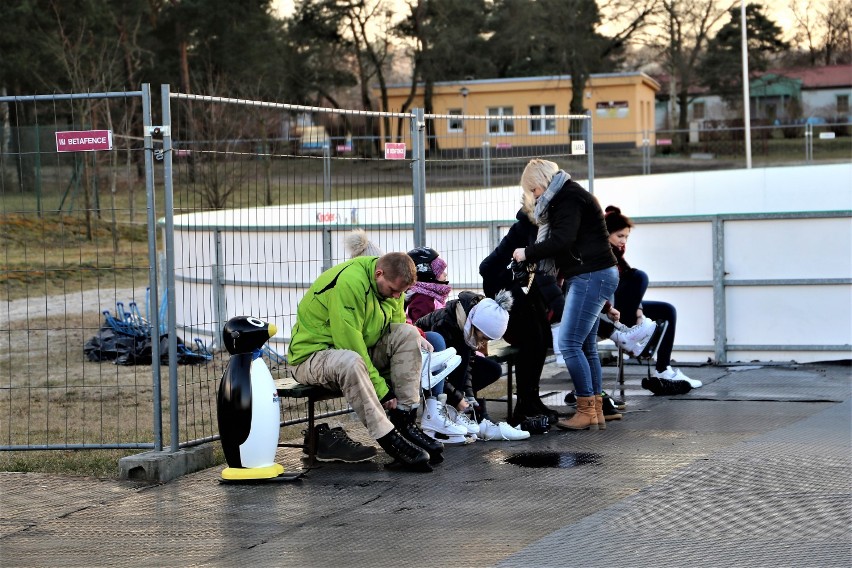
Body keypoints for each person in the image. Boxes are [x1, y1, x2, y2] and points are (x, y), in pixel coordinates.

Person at [287, 252, 443, 472]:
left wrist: (392, 386)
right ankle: (390, 440)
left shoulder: (392, 285)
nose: (396, 297)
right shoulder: (350, 284)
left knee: (409, 333)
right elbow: (350, 345)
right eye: (393, 290)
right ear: (379, 274)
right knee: (350, 360)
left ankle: (405, 421)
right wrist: (383, 391)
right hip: (311, 357)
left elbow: (395, 331)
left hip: (357, 354)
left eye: (401, 293)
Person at [511, 158, 619, 431]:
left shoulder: (568, 198)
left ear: (543, 182)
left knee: (570, 343)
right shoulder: (573, 194)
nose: (535, 197)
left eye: (534, 190)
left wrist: (528, 252)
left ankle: (585, 409)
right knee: (586, 345)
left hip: (589, 275)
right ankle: (595, 410)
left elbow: (562, 239)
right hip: (596, 273)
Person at [479, 189, 563, 428]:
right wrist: (514, 275)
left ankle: (531, 400)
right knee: (533, 339)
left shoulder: (550, 231)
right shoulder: (523, 229)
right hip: (511, 300)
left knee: (540, 339)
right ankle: (524, 405)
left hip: (531, 299)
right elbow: (487, 267)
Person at [599, 206, 703, 391]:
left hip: (620, 309)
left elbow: (626, 286)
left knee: (667, 310)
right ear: (606, 234)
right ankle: (637, 331)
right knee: (639, 276)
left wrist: (638, 311)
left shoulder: (617, 256)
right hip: (604, 312)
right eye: (619, 236)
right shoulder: (601, 254)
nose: (623, 241)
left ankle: (663, 369)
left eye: (626, 237)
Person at [414, 290, 513, 434]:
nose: (483, 343)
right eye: (484, 337)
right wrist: (457, 397)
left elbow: (468, 366)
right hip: (423, 364)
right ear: (476, 325)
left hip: (444, 367)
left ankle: (457, 407)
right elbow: (436, 369)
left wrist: (469, 394)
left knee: (492, 369)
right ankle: (445, 409)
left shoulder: (468, 325)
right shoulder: (446, 323)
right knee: (462, 355)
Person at [404, 247, 470, 443]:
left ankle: (452, 409)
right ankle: (445, 409)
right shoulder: (423, 299)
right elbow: (426, 333)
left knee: (484, 365)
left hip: (439, 354)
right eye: (440, 270)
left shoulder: (432, 296)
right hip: (427, 355)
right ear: (426, 272)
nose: (445, 274)